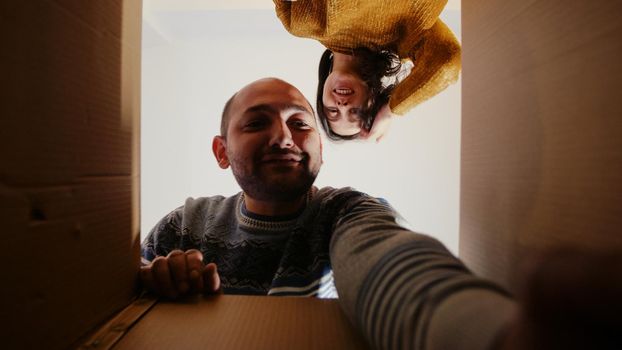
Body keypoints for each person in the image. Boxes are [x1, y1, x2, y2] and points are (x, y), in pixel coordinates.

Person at [140, 77, 516, 349]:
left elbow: (388, 263)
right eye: (256, 123)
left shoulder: (345, 213)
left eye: (300, 123)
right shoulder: (185, 225)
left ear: (321, 147)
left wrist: (487, 331)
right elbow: (105, 301)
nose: (284, 137)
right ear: (222, 152)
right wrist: (151, 281)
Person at [273, 0, 461, 142]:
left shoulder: (303, 23)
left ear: (321, 95)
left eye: (332, 111)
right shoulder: (406, 39)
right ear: (374, 101)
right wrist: (392, 109)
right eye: (356, 112)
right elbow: (448, 64)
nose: (343, 106)